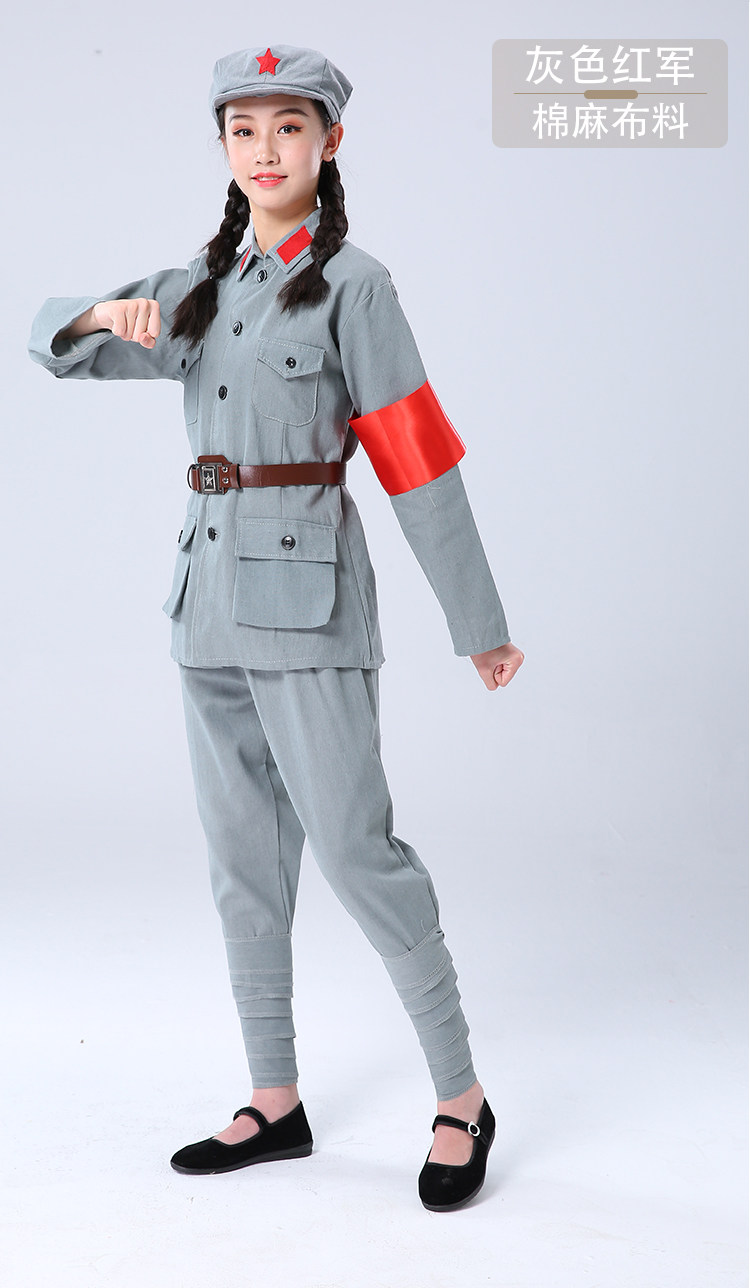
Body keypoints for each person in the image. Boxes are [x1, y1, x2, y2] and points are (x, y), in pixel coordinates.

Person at [28, 43, 524, 1212]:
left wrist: (478, 620)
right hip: (204, 606)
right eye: (243, 130)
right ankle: (274, 1098)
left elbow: (418, 462)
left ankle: (461, 1095)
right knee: (242, 862)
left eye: (288, 127)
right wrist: (98, 311)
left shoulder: (359, 287)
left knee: (356, 851)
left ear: (329, 143)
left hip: (308, 608)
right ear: (222, 148)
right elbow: (55, 347)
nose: (265, 150)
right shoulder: (202, 285)